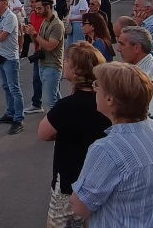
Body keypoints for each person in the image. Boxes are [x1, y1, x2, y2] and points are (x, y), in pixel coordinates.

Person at [71, 63, 153, 227]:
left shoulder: (108, 150)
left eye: (97, 85)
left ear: (110, 99)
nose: (94, 89)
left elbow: (80, 207)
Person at [38, 42, 111, 228]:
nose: (64, 62)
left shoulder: (68, 106)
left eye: (68, 60)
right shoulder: (107, 101)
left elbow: (44, 133)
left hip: (70, 183)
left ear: (78, 70)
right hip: (99, 181)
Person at [23, 0, 65, 110]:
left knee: (51, 103)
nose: (37, 11)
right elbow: (37, 42)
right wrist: (30, 33)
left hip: (52, 66)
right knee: (57, 100)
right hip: (44, 64)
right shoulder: (45, 22)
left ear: (48, 7)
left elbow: (50, 46)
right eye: (36, 8)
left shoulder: (57, 25)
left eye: (40, 8)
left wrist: (34, 34)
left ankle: (56, 127)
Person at [0, 0, 25, 135]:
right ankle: (10, 113)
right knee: (6, 86)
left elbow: (2, 37)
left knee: (14, 88)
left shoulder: (10, 17)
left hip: (10, 58)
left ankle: (18, 119)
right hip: (0, 56)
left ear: (5, 3)